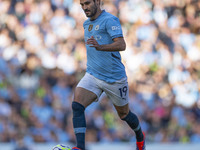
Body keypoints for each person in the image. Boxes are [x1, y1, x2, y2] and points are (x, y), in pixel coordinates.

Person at [71, 0, 146, 150]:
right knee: (77, 106)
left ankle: (140, 136)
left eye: (87, 3)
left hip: (114, 79)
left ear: (97, 2)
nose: (85, 8)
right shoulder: (87, 24)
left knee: (124, 115)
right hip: (93, 75)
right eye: (82, 5)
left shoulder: (110, 20)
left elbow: (121, 44)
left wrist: (101, 47)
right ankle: (80, 147)